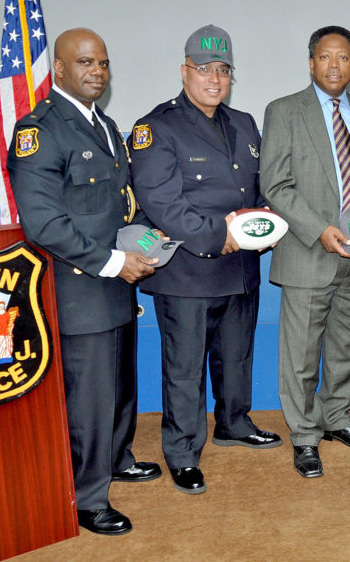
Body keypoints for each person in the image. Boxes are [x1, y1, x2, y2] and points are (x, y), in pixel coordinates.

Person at [7, 28, 161, 536]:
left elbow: (119, 204)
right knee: (89, 400)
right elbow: (44, 224)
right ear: (60, 68)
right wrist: (116, 262)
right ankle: (88, 498)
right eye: (86, 62)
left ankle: (117, 458)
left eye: (104, 63)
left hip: (117, 284)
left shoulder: (107, 126)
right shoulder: (40, 130)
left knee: (119, 389)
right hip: (79, 289)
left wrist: (143, 244)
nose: (97, 72)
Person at [128, 25, 281, 496]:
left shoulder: (244, 123)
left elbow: (253, 191)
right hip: (188, 273)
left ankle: (234, 422)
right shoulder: (156, 127)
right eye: (203, 69)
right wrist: (223, 238)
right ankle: (182, 450)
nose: (214, 78)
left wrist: (265, 220)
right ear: (184, 71)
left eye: (222, 70)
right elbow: (163, 205)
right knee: (185, 368)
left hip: (239, 272)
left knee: (236, 358)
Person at [260, 25, 350, 478]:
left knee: (346, 348)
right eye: (324, 57)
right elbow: (275, 184)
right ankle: (303, 436)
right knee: (299, 355)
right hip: (307, 254)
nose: (334, 65)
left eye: (343, 58)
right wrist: (319, 230)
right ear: (311, 62)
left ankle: (336, 418)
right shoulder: (284, 111)